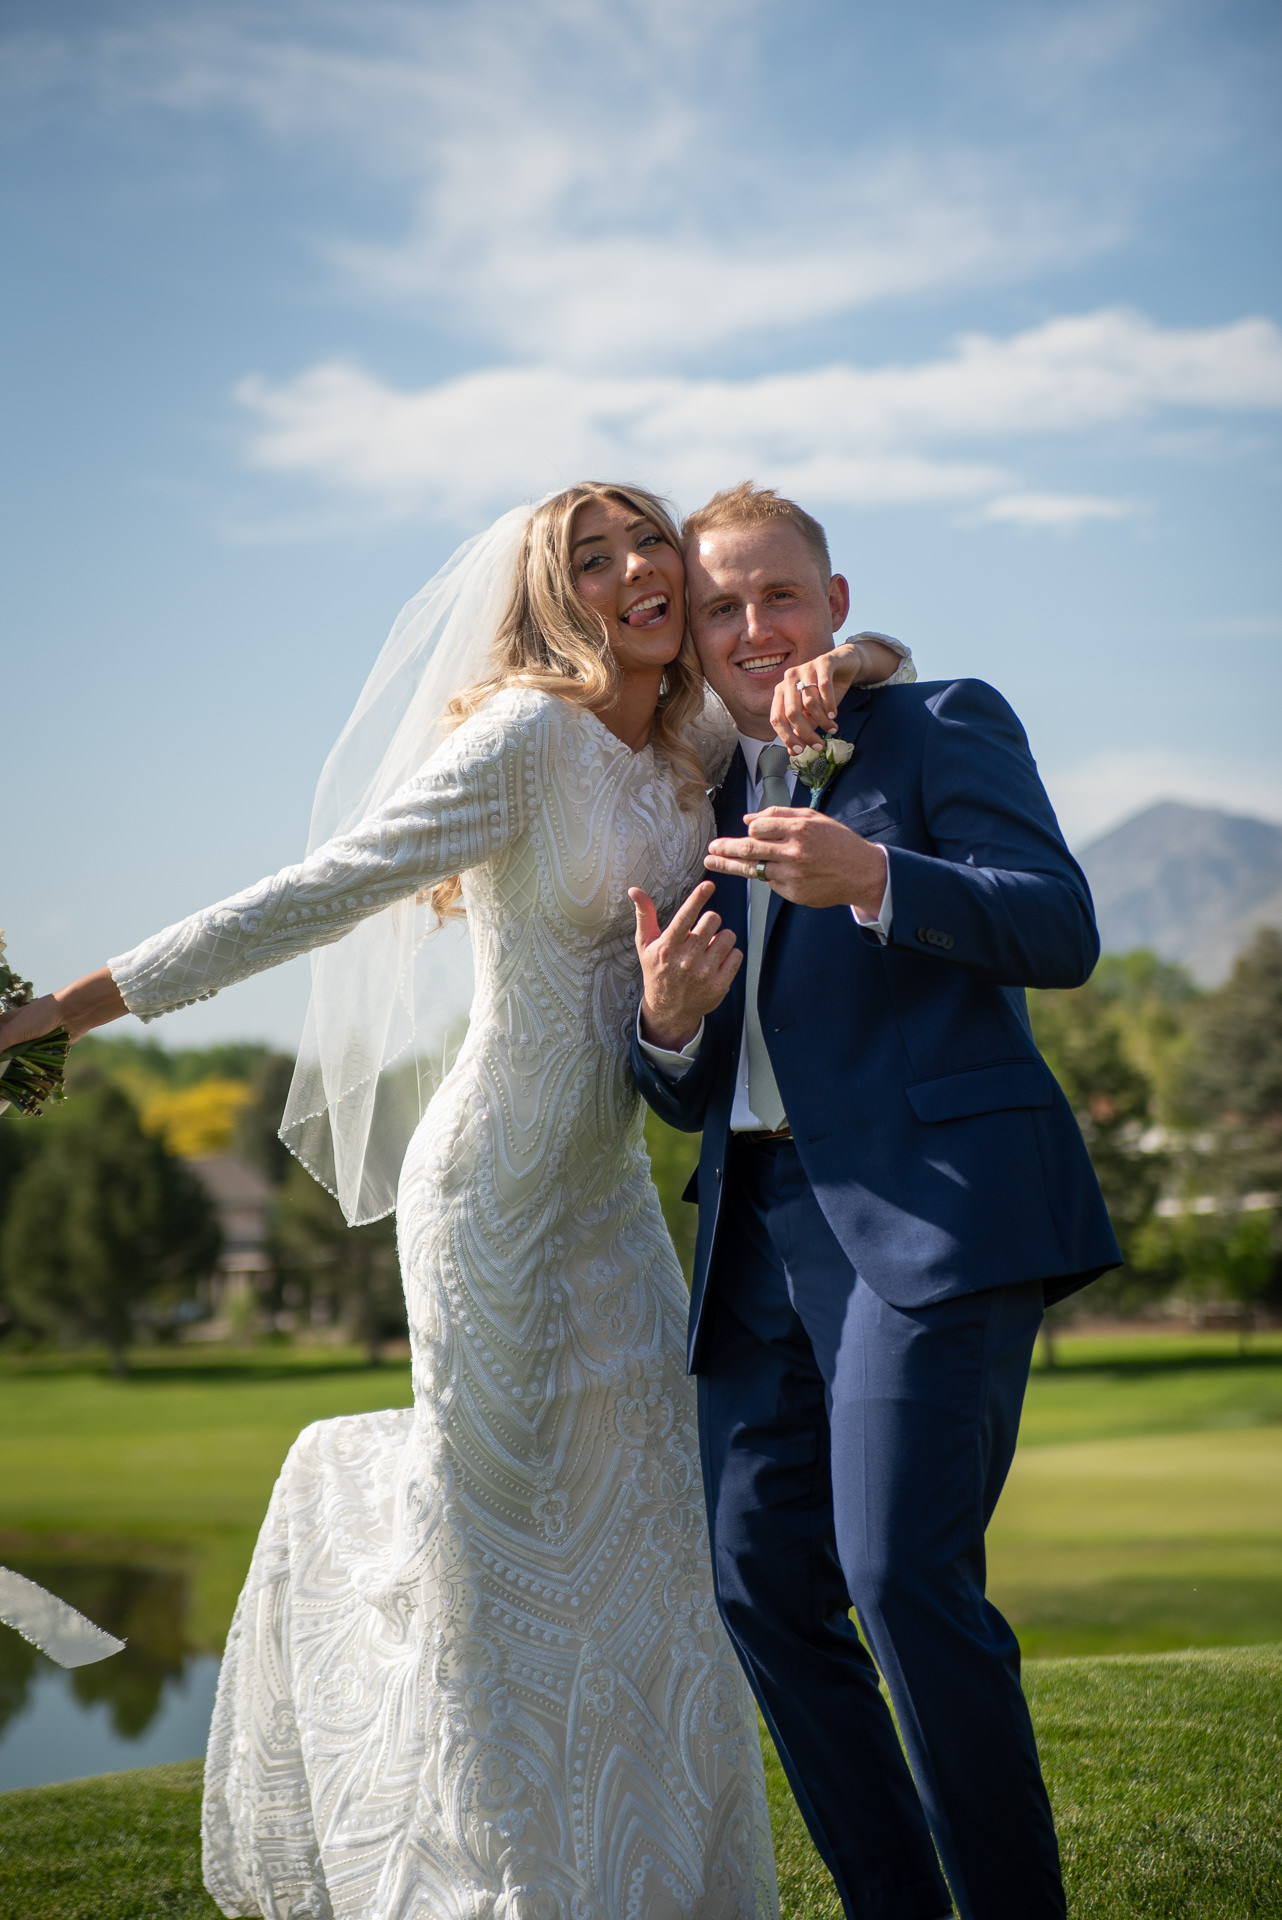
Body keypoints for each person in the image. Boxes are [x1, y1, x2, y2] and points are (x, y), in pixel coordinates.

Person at [0, 481, 910, 1920]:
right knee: (500, 1562)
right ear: (556, 601)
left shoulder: (698, 750)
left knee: (654, 1553)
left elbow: (842, 669)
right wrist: (56, 1011)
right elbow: (305, 895)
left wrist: (846, 662)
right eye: (590, 560)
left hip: (611, 1205)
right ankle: (516, 1889)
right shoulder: (523, 741)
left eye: (645, 543)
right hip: (487, 1199)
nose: (635, 573)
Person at [630, 484, 1122, 1920]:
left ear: (834, 605)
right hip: (752, 1244)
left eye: (777, 595)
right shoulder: (696, 796)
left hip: (935, 1214)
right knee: (760, 1594)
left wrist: (878, 878)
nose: (749, 626)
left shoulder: (934, 719)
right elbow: (685, 1079)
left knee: (900, 1575)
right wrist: (662, 1026)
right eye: (718, 607)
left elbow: (1059, 924)